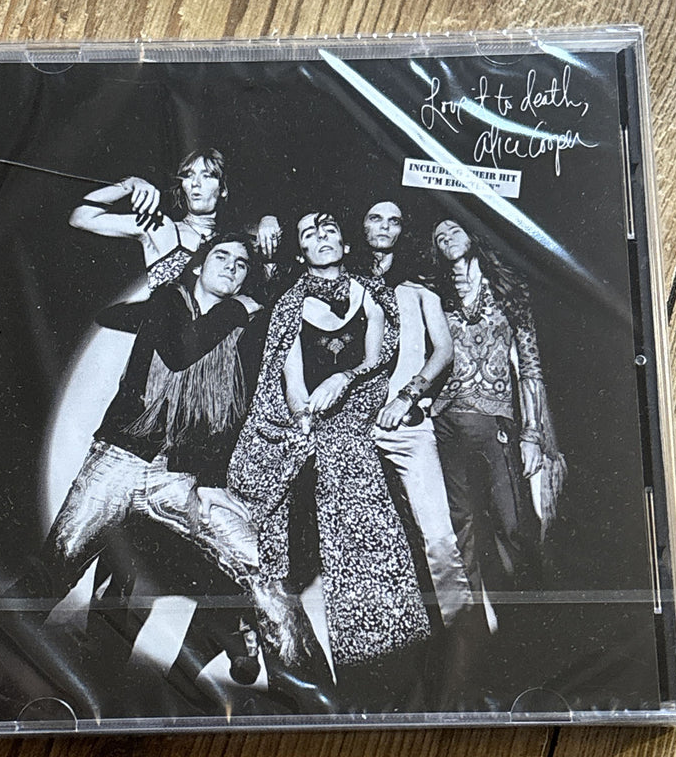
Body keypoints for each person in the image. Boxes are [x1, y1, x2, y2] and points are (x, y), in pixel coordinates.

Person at [35, 234, 335, 716]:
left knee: (265, 572)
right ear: (198, 266)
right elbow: (180, 350)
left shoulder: (243, 330)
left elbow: (234, 411)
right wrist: (237, 308)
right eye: (222, 257)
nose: (232, 267)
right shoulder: (168, 303)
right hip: (120, 461)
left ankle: (318, 705)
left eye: (242, 263)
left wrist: (211, 482)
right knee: (56, 565)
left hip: (182, 478)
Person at [229, 211, 431, 714]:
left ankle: (389, 679)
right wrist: (304, 421)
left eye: (329, 231)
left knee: (373, 547)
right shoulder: (290, 304)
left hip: (355, 429)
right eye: (309, 234)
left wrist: (342, 381)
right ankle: (294, 673)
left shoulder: (371, 293)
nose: (320, 238)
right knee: (277, 544)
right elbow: (291, 381)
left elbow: (375, 362)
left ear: (345, 243)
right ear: (300, 252)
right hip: (307, 431)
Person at [429, 219, 566, 629]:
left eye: (454, 229)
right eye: (439, 236)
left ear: (473, 234)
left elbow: (531, 367)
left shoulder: (508, 291)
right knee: (462, 527)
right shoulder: (435, 294)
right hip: (445, 424)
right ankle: (476, 631)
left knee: (512, 525)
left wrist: (532, 434)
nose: (447, 238)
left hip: (496, 424)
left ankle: (528, 625)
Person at [359, 201, 476, 629]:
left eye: (394, 220)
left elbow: (443, 351)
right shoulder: (346, 283)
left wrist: (407, 397)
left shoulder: (419, 288)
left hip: (406, 425)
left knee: (439, 537)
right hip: (354, 429)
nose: (385, 227)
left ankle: (464, 636)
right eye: (376, 218)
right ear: (361, 225)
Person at [68, 147, 282, 290]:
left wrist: (271, 219)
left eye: (207, 176)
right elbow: (81, 217)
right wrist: (129, 184)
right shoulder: (161, 228)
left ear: (223, 189)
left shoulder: (235, 243)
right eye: (189, 176)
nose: (196, 183)